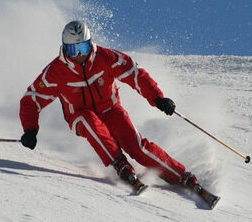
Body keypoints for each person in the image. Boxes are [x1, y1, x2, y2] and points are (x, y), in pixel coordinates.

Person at [19, 20, 198, 190]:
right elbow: (31, 98)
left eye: (84, 47)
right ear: (65, 48)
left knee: (136, 146)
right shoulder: (56, 72)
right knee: (88, 119)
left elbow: (135, 74)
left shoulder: (106, 57)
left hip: (111, 110)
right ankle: (119, 163)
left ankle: (180, 175)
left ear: (90, 43)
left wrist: (158, 98)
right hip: (79, 116)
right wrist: (30, 130)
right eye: (74, 50)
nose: (80, 54)